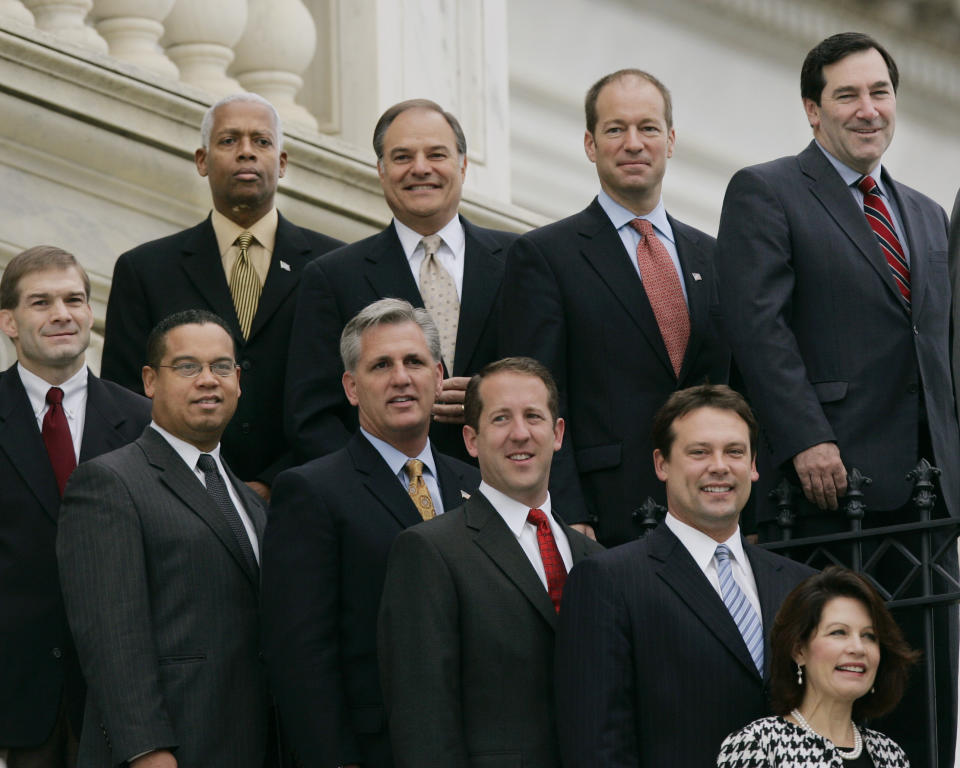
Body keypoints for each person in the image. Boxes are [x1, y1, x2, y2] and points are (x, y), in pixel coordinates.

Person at [716, 33, 958, 767]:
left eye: (879, 92)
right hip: (831, 491)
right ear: (812, 111)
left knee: (923, 689)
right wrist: (805, 437)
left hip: (926, 497)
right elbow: (758, 329)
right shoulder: (767, 189)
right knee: (827, 692)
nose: (867, 109)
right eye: (847, 95)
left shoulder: (923, 213)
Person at [499, 69, 728, 546]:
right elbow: (540, 392)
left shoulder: (716, 256)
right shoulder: (546, 255)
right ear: (589, 143)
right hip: (607, 515)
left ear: (670, 139)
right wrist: (567, 508)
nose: (633, 143)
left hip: (711, 506)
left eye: (647, 128)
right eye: (614, 129)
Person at [261, 298, 480, 768]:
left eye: (414, 362)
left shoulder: (476, 484)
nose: (401, 377)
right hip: (375, 749)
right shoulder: (311, 491)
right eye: (381, 365)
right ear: (352, 387)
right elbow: (300, 652)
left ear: (439, 377)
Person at [554, 385, 814, 768]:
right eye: (699, 452)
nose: (720, 466)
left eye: (735, 452)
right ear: (661, 464)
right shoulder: (608, 581)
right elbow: (596, 744)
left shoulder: (799, 584)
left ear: (754, 465)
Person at [100, 93, 343, 498]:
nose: (246, 152)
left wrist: (274, 483)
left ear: (281, 163)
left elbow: (345, 395)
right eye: (229, 141)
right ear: (202, 160)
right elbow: (124, 403)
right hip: (176, 499)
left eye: (261, 142)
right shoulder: (145, 270)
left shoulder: (334, 266)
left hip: (306, 496)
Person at [57, 310, 272, 768]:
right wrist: (147, 752)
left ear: (238, 381)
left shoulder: (251, 502)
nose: (208, 381)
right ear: (151, 381)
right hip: (165, 752)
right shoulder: (109, 483)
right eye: (188, 367)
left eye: (221, 367)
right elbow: (112, 640)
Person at [378, 357, 602, 767]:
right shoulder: (430, 552)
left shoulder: (595, 559)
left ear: (557, 434)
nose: (520, 434)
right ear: (471, 439)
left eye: (533, 417)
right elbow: (422, 721)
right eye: (500, 419)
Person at [285, 98, 517, 465]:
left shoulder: (521, 260)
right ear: (381, 170)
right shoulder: (332, 277)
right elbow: (312, 417)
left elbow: (554, 381)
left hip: (504, 486)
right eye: (403, 157)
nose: (420, 168)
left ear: (463, 165)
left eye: (436, 154)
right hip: (386, 504)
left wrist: (493, 395)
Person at [0, 247, 150, 768]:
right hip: (16, 697)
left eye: (74, 299)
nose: (62, 313)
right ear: (9, 322)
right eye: (41, 302)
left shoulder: (147, 421)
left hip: (122, 698)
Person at [718, 567, 918, 767]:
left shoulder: (891, 755)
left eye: (869, 636)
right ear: (799, 650)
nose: (858, 648)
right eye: (838, 632)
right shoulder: (759, 744)